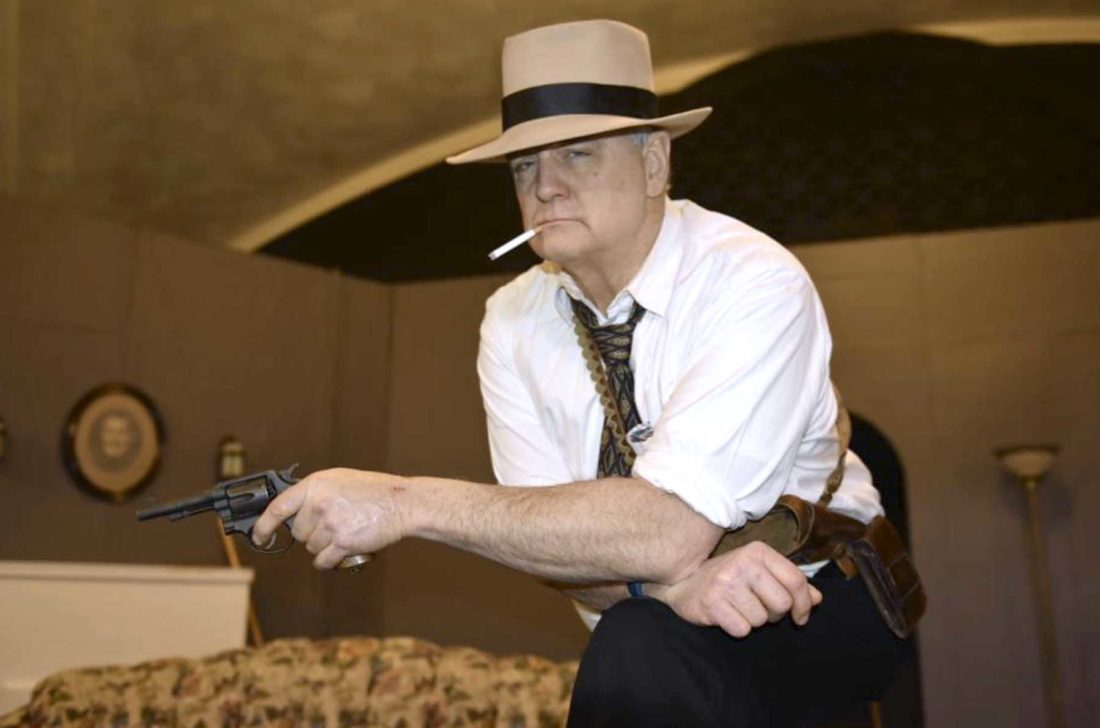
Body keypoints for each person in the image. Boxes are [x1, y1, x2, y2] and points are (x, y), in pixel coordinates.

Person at [253, 19, 908, 727]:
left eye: (577, 153)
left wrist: (405, 502)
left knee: (637, 643)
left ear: (654, 163)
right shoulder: (512, 319)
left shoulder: (751, 280)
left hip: (817, 591)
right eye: (523, 166)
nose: (546, 187)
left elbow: (666, 532)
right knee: (638, 637)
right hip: (655, 614)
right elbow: (551, 546)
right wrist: (669, 590)